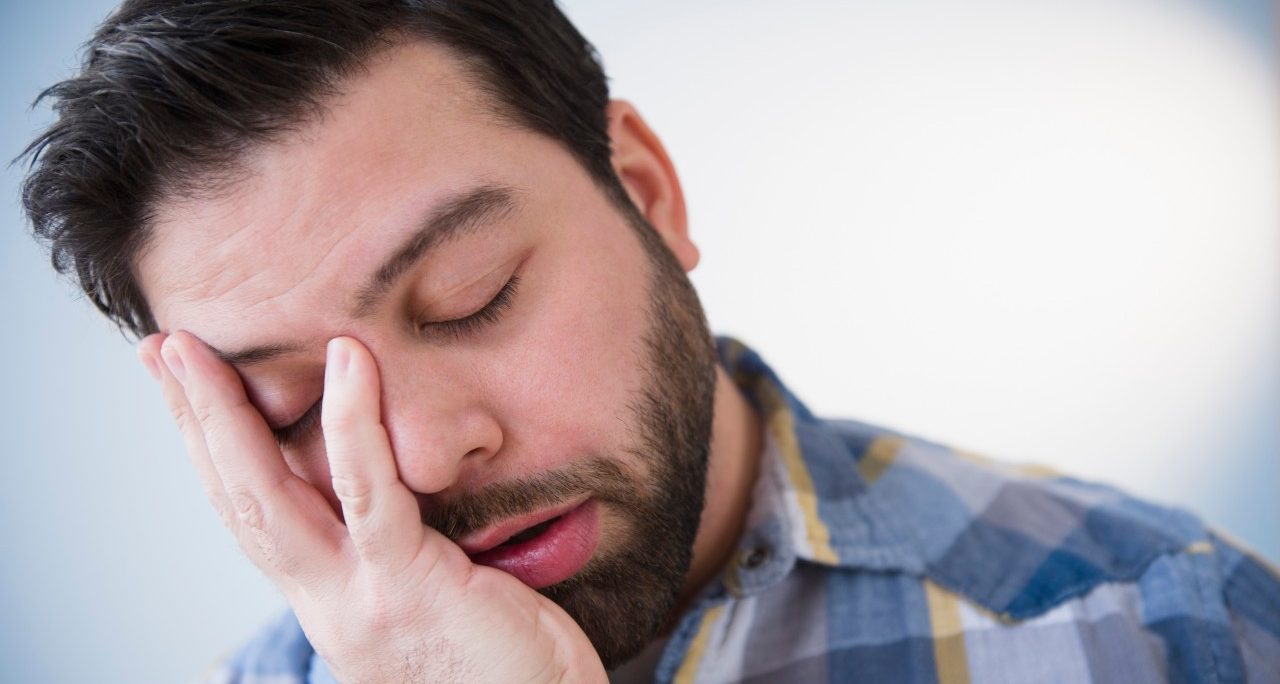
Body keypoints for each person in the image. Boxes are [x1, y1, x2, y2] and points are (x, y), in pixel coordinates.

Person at [17, 1, 1279, 682]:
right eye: (293, 405)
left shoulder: (1164, 633)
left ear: (646, 189)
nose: (421, 457)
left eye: (472, 294)